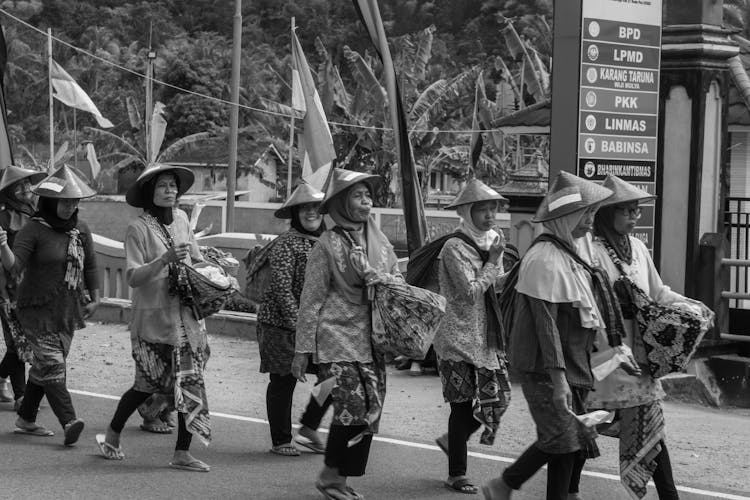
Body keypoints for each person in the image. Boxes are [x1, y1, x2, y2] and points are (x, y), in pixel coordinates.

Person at [482, 171, 636, 500]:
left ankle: (536, 489)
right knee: (562, 437)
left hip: (575, 359)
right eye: (587, 214)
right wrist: (559, 380)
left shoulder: (573, 251)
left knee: (573, 438)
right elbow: (546, 326)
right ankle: (505, 484)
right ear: (568, 217)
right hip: (546, 365)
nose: (591, 222)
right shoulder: (543, 259)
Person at [587, 175, 711, 500]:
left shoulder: (639, 249)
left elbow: (658, 292)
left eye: (636, 211)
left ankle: (669, 495)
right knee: (582, 426)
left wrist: (690, 305)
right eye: (627, 210)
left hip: (641, 357)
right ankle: (564, 488)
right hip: (605, 354)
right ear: (607, 212)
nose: (634, 216)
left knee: (649, 427)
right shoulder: (592, 252)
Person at [291, 168, 402, 500]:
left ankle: (337, 474)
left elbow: (396, 277)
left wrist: (383, 279)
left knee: (370, 409)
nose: (366, 200)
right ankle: (332, 480)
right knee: (351, 408)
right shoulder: (327, 244)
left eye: (368, 194)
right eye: (358, 195)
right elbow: (310, 300)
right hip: (335, 336)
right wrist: (302, 349)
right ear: (340, 202)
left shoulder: (378, 240)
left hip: (372, 339)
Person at [96, 163, 211, 472]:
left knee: (190, 384)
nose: (169, 190)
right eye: (162, 185)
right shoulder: (138, 228)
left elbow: (196, 258)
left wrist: (214, 270)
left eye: (173, 185)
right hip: (152, 322)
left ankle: (182, 453)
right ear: (150, 191)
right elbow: (133, 276)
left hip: (186, 319)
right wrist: (165, 259)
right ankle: (112, 435)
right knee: (146, 386)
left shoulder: (184, 219)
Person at [0, 165, 99, 446]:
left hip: (67, 311)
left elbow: (90, 264)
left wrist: (96, 297)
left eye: (74, 201)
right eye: (65, 201)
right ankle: (70, 420)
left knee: (44, 367)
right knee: (54, 366)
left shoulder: (81, 228)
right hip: (34, 311)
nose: (70, 207)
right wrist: (3, 247)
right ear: (50, 201)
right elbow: (15, 268)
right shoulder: (33, 229)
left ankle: (26, 418)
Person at [432, 178, 512, 494]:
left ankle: (453, 440)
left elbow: (494, 285)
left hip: (486, 336)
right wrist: (493, 262)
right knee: (462, 405)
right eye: (483, 209)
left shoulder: (494, 241)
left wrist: (511, 274)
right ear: (467, 211)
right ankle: (457, 473)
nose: (490, 215)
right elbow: (468, 292)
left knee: (500, 396)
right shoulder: (454, 247)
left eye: (493, 208)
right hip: (456, 335)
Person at [257, 182, 332, 456]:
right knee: (283, 381)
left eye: (316, 207)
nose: (312, 213)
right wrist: (300, 325)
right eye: (305, 208)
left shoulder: (328, 242)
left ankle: (310, 425)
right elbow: (281, 288)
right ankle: (281, 439)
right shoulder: (286, 244)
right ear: (296, 213)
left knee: (333, 375)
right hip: (281, 324)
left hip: (318, 325)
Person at [0, 166, 45, 410]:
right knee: (17, 343)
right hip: (7, 288)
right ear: (8, 191)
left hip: (32, 288)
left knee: (24, 341)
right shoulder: (3, 217)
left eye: (28, 183)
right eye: (20, 185)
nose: (26, 188)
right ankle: (21, 396)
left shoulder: (36, 212)